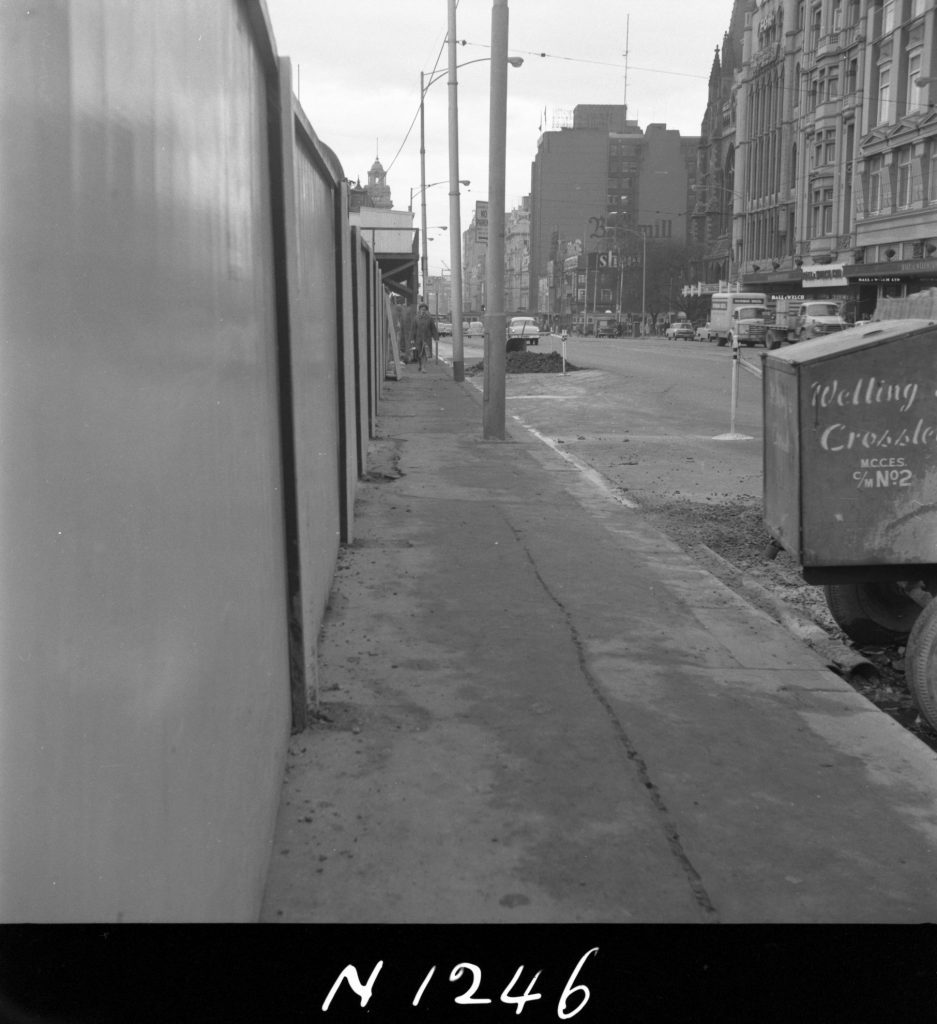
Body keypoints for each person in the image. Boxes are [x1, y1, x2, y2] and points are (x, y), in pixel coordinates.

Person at [410, 303, 438, 372]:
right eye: (422, 309)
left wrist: (436, 337)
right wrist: (412, 339)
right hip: (418, 339)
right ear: (419, 310)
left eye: (425, 310)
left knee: (425, 353)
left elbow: (433, 328)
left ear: (426, 311)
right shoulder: (416, 318)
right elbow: (413, 329)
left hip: (427, 339)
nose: (423, 311)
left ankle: (423, 367)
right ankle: (420, 365)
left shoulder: (429, 319)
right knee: (419, 354)